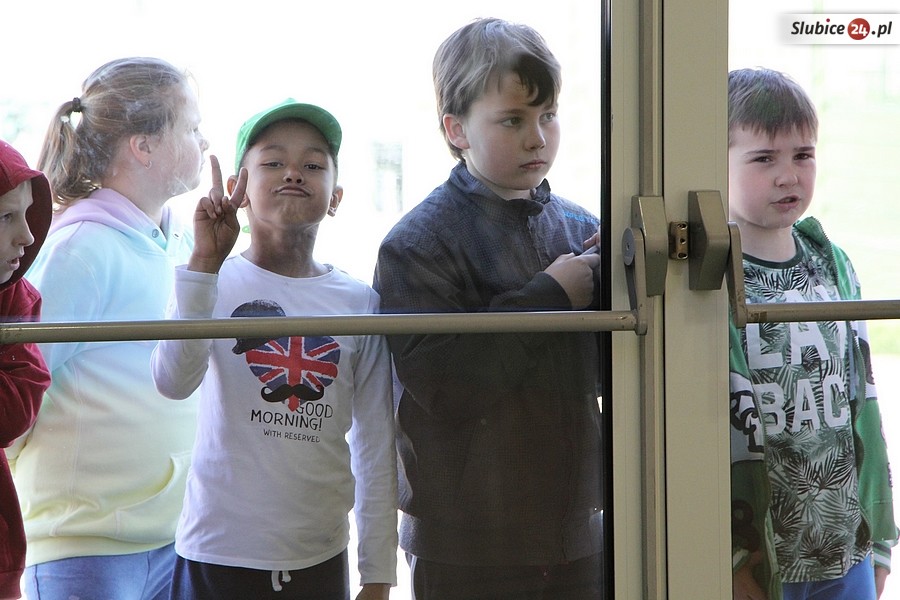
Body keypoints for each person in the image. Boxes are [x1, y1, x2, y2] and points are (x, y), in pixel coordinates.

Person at [373, 17, 604, 600]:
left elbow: (610, 376)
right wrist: (551, 297)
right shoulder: (417, 244)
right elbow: (447, 386)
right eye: (513, 120)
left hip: (578, 531)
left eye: (548, 115)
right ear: (456, 130)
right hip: (467, 544)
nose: (538, 138)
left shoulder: (581, 229)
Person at [150, 98, 398, 600]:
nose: (293, 173)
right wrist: (203, 264)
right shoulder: (209, 279)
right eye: (273, 162)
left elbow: (375, 443)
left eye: (313, 165)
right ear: (239, 189)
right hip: (217, 553)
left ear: (336, 197)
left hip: (320, 556)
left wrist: (377, 575)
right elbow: (172, 382)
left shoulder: (359, 303)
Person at [6, 57, 208, 600]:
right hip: (82, 546)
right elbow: (19, 391)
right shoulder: (80, 250)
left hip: (172, 541)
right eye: (191, 128)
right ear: (143, 146)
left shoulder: (182, 244)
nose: (204, 140)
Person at [727, 67, 898, 600]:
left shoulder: (833, 265)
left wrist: (880, 539)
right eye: (764, 159)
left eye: (803, 155)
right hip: (764, 558)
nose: (789, 176)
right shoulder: (713, 278)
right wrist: (731, 559)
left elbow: (863, 403)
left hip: (846, 547)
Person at [0, 141, 52, 600]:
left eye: (27, 214)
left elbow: (12, 413)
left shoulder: (17, 300)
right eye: (6, 217)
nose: (27, 236)